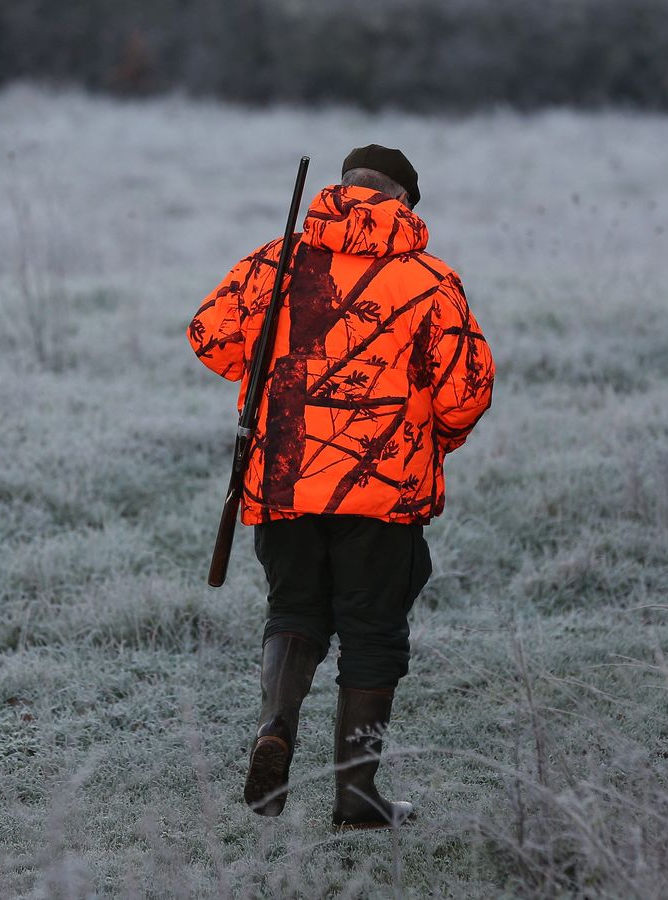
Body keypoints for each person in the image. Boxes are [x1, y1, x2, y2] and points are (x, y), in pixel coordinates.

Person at [186, 145, 494, 830]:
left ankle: (275, 725)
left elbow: (209, 335)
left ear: (343, 188)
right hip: (384, 493)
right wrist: (432, 436)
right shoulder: (430, 281)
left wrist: (266, 369)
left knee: (293, 611)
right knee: (374, 634)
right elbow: (467, 393)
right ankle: (357, 799)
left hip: (285, 480)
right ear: (405, 202)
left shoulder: (277, 259)